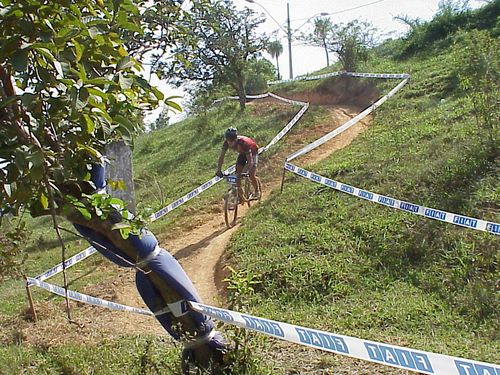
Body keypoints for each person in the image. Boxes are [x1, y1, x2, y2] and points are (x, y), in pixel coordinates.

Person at [215, 127, 261, 200]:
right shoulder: (226, 143)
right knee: (237, 174)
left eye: (231, 141)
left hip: (252, 152)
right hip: (243, 153)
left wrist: (245, 172)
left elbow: (250, 161)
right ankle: (240, 195)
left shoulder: (243, 143)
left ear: (236, 139)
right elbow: (221, 157)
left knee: (251, 174)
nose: (229, 143)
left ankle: (257, 191)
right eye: (228, 141)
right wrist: (219, 170)